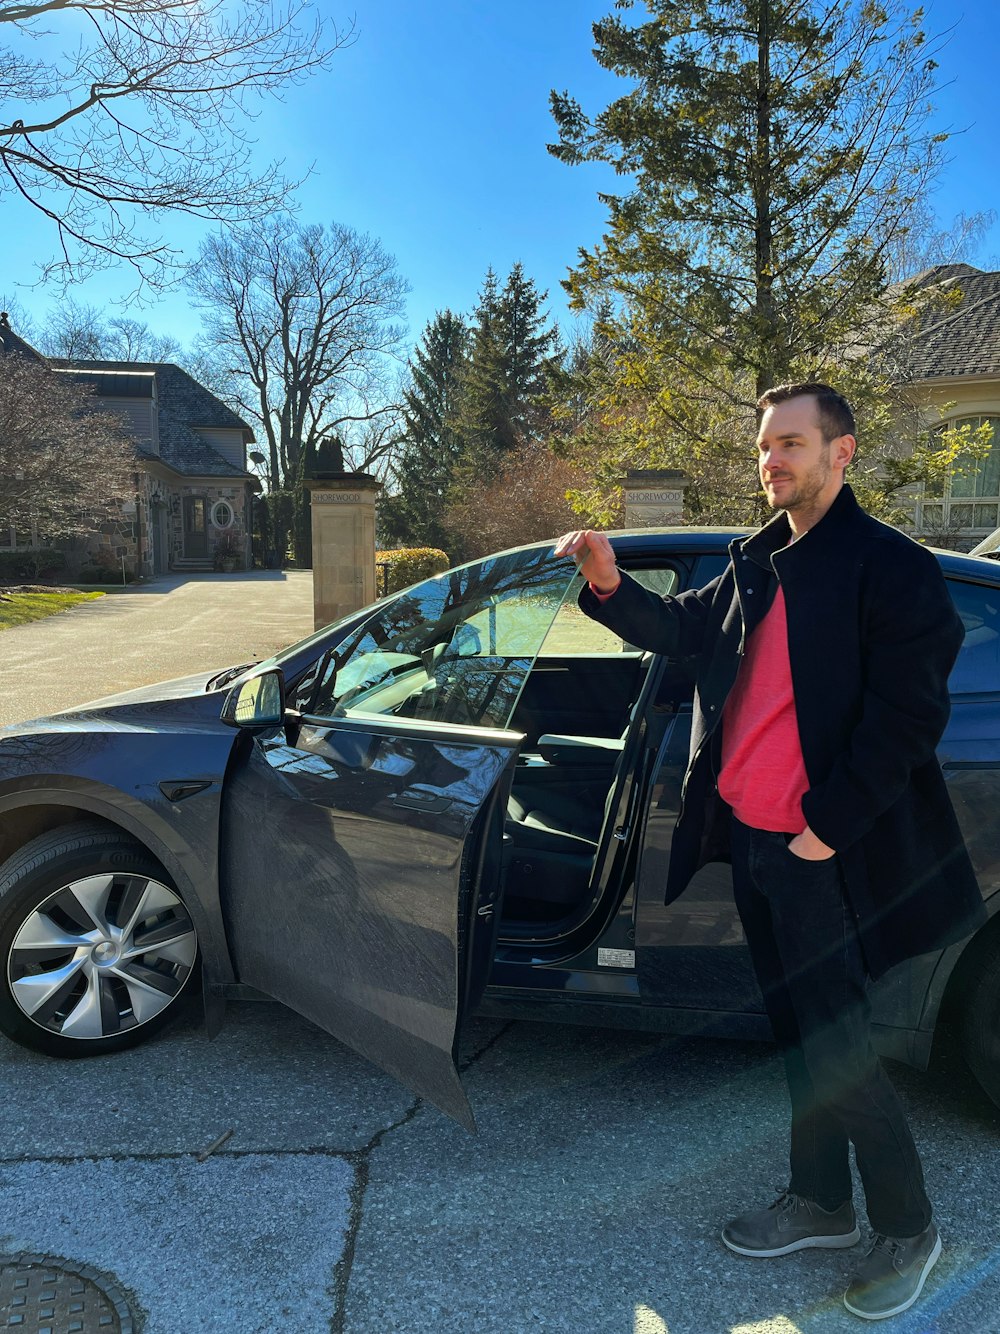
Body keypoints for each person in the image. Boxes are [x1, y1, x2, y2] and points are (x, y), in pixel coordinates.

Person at [554, 382, 986, 1322]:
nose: (772, 461)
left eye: (791, 443)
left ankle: (909, 1227)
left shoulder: (890, 568)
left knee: (836, 1041)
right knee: (793, 1029)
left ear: (844, 452)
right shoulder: (757, 562)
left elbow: (907, 720)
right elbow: (680, 632)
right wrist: (606, 581)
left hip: (820, 849)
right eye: (763, 447)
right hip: (754, 837)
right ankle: (822, 1201)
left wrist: (820, 834)